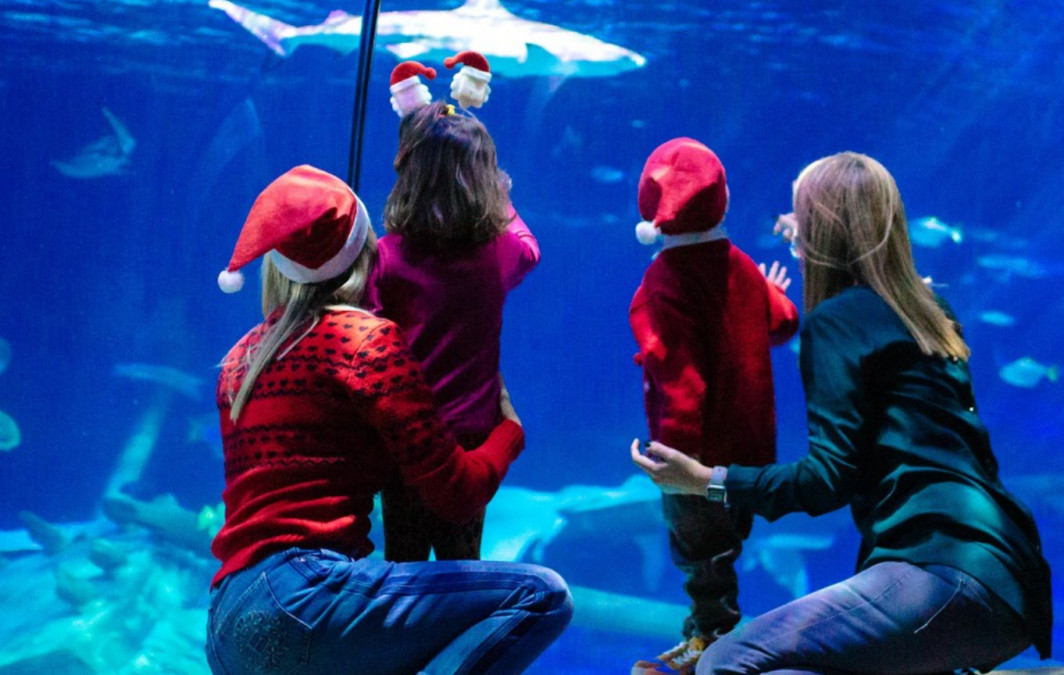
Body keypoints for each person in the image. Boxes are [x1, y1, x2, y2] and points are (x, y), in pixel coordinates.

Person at [631, 151, 1052, 675]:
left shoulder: (836, 323)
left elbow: (827, 479)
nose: (788, 228)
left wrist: (707, 481)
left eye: (799, 215)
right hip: (1009, 578)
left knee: (726, 658)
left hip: (938, 571)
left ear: (824, 230)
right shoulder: (929, 312)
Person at [207, 164, 571, 675]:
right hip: (310, 599)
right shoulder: (364, 341)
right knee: (540, 595)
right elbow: (456, 494)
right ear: (365, 252)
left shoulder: (238, 362)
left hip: (228, 620)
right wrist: (508, 433)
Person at [628, 138, 800, 673]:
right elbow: (784, 322)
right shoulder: (741, 266)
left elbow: (680, 379)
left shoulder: (663, 282)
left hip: (697, 458)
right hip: (748, 454)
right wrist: (771, 293)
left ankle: (711, 646)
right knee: (724, 551)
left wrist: (677, 464)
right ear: (722, 200)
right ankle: (703, 640)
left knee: (701, 557)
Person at [362, 93, 539, 563]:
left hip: (405, 439)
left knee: (404, 559)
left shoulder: (385, 257)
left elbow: (367, 330)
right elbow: (529, 249)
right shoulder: (500, 253)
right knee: (463, 563)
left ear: (409, 176)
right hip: (474, 436)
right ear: (484, 181)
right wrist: (503, 200)